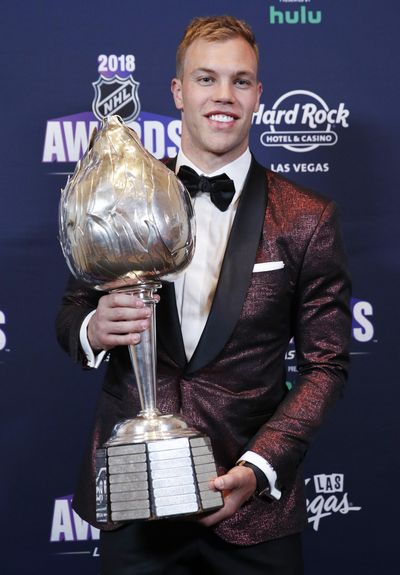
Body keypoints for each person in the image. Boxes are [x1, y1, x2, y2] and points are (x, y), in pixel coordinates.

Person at [56, 15, 351, 575]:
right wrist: (93, 328)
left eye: (241, 81)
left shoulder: (308, 218)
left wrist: (260, 466)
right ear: (178, 91)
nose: (224, 96)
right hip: (135, 501)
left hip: (253, 513)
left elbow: (326, 365)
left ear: (259, 95)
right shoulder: (120, 194)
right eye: (206, 79)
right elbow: (70, 313)